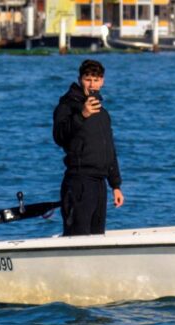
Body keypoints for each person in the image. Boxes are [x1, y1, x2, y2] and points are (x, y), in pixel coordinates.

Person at [53, 59, 124, 236]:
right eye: (88, 79)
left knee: (97, 237)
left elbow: (109, 149)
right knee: (78, 236)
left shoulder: (103, 113)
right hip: (79, 182)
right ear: (80, 79)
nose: (92, 84)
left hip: (100, 184)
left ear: (102, 82)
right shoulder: (67, 105)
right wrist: (82, 115)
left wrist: (115, 185)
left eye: (96, 79)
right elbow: (59, 137)